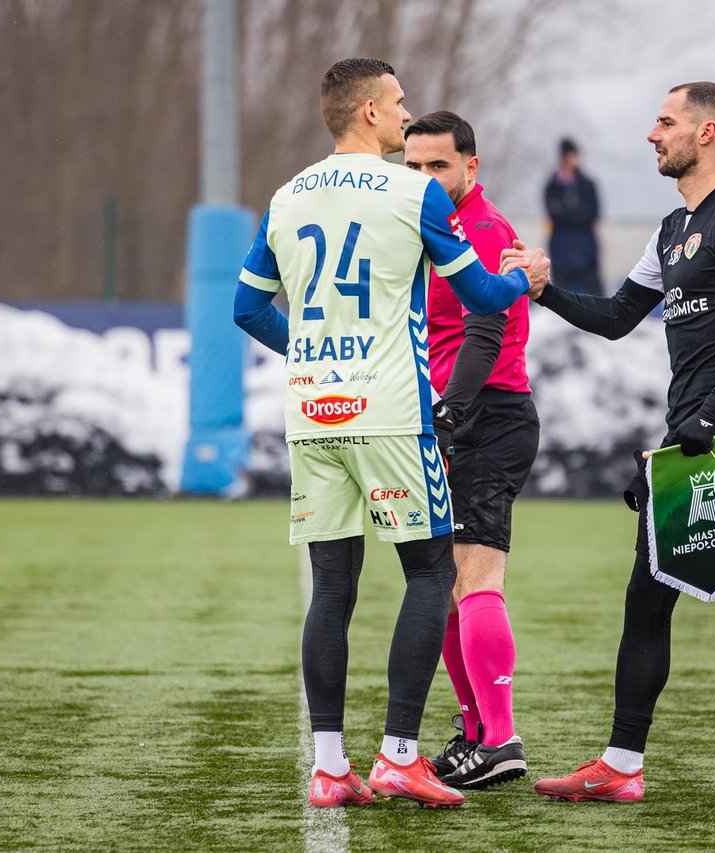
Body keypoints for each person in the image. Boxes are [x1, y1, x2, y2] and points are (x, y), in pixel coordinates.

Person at [508, 81, 715, 809]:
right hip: (688, 441)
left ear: (708, 132)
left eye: (666, 122)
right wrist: (543, 290)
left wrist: (714, 413)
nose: (652, 135)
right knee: (645, 602)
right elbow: (617, 317)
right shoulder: (670, 229)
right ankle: (621, 764)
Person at [232, 58, 548, 809]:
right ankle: (400, 755)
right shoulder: (414, 192)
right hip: (392, 412)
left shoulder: (285, 196)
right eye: (399, 102)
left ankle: (329, 766)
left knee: (332, 585)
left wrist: (311, 356)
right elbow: (482, 295)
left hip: (313, 410)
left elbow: (246, 309)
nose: (407, 115)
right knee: (431, 574)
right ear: (370, 111)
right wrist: (527, 276)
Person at [402, 111, 538, 790]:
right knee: (451, 588)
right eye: (413, 167)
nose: (425, 178)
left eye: (439, 166)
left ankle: (500, 738)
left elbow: (484, 334)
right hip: (457, 417)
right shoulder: (432, 226)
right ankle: (478, 731)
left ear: (470, 167)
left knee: (477, 579)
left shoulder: (480, 229)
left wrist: (450, 414)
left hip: (489, 416)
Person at [543, 138, 603, 297]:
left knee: (595, 297)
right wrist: (576, 212)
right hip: (561, 252)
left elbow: (593, 213)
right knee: (562, 298)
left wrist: (567, 211)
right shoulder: (553, 186)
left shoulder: (587, 185)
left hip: (586, 251)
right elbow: (554, 213)